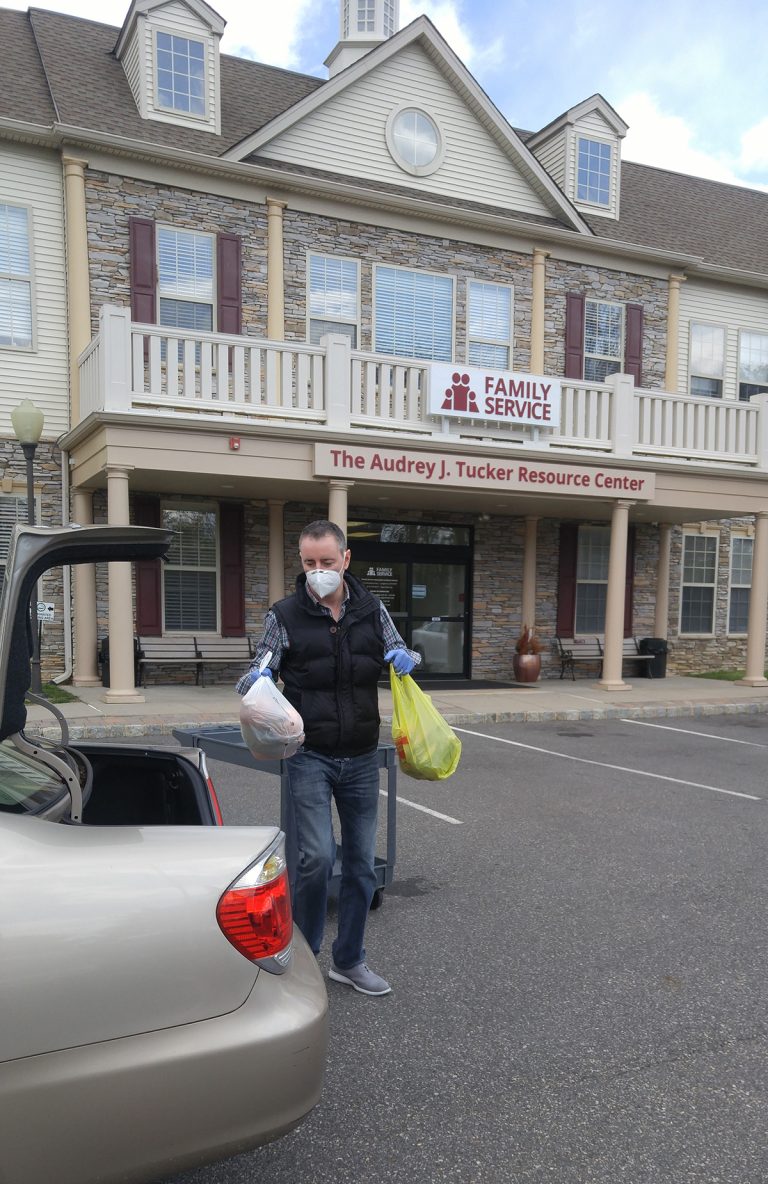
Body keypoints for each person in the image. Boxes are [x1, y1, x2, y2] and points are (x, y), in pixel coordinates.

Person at [236, 519, 419, 996]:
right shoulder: (286, 615)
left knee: (360, 865)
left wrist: (406, 657)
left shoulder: (372, 609)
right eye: (309, 563)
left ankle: (349, 960)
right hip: (309, 755)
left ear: (345, 561)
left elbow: (397, 646)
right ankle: (302, 957)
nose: (318, 572)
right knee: (315, 858)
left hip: (360, 755)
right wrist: (255, 681)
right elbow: (261, 666)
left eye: (327, 563)